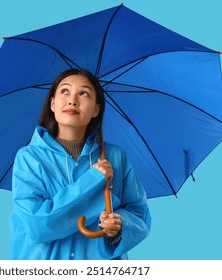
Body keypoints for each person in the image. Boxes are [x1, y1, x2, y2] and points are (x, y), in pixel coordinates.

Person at [9, 69, 151, 260]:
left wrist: (117, 227)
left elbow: (139, 214)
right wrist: (93, 180)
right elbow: (37, 225)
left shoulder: (115, 158)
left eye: (84, 93)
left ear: (96, 109)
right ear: (52, 103)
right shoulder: (29, 158)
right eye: (65, 91)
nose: (72, 100)